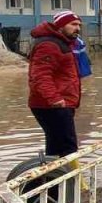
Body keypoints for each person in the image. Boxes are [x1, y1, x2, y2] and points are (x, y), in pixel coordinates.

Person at [28, 10, 83, 157]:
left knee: (56, 147)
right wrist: (55, 99)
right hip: (53, 105)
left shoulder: (62, 43)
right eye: (73, 24)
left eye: (79, 25)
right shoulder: (49, 45)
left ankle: (53, 177)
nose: (77, 28)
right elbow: (40, 75)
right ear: (60, 25)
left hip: (58, 103)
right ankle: (72, 178)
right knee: (68, 148)